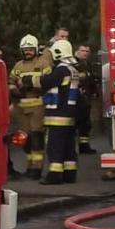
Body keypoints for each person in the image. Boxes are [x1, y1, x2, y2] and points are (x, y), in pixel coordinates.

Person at [39, 39, 82, 184]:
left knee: (55, 146)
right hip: (70, 115)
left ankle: (55, 175)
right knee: (69, 146)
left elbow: (45, 82)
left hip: (57, 115)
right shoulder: (73, 70)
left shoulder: (61, 70)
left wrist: (28, 80)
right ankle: (70, 174)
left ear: (58, 53)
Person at [7, 35, 50, 178]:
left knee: (37, 138)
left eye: (30, 49)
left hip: (38, 108)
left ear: (36, 49)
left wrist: (30, 83)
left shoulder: (43, 63)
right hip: (21, 109)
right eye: (25, 50)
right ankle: (29, 167)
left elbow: (48, 81)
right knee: (26, 139)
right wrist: (13, 90)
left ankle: (37, 169)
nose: (28, 52)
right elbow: (10, 81)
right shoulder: (18, 65)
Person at [73, 44, 98, 154]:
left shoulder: (87, 64)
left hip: (85, 99)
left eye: (87, 51)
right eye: (83, 51)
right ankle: (71, 148)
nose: (85, 53)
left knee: (85, 124)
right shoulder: (73, 64)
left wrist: (95, 91)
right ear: (77, 51)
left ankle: (84, 146)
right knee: (74, 124)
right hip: (75, 99)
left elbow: (90, 79)